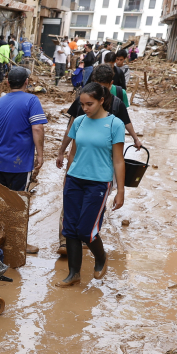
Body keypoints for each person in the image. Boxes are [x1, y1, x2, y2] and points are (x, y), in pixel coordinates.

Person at [55, 64, 140, 255]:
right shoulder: (84, 101)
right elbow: (72, 128)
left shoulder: (116, 104)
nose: (86, 108)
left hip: (101, 165)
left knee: (94, 206)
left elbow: (124, 125)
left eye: (104, 86)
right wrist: (62, 151)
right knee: (69, 204)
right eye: (97, 84)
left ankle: (89, 235)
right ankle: (65, 241)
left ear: (111, 85)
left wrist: (134, 137)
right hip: (79, 165)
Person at [55, 82, 125, 286]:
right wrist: (67, 177)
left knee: (86, 230)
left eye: (89, 104)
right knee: (69, 228)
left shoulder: (115, 124)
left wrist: (120, 190)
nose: (85, 108)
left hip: (98, 183)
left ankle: (101, 257)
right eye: (82, 104)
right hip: (75, 180)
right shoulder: (78, 122)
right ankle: (73, 273)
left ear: (102, 100)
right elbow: (73, 152)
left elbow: (119, 160)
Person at [0, 66, 47, 254]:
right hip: (20, 164)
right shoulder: (31, 100)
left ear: (7, 83)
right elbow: (37, 128)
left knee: (1, 202)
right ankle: (18, 243)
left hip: (0, 162)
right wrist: (40, 153)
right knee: (19, 204)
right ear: (27, 82)